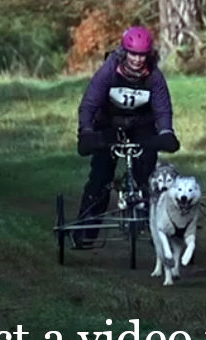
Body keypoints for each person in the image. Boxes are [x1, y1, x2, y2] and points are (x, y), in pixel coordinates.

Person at [73, 25, 180, 247]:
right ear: (124, 52)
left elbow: (163, 109)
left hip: (142, 126)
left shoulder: (154, 77)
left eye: (142, 55)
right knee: (100, 176)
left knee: (148, 175)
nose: (137, 60)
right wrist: (86, 131)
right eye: (133, 54)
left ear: (148, 55)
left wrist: (166, 132)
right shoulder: (109, 71)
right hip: (109, 124)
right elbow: (89, 104)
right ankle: (86, 230)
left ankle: (156, 227)